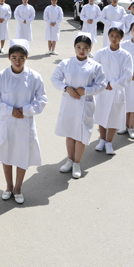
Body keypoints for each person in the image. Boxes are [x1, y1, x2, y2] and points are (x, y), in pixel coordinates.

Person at [0, 39, 47, 204]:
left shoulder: (34, 77)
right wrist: (10, 110)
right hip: (6, 122)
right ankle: (8, 186)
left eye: (21, 57)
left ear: (27, 57)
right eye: (14, 57)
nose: (17, 61)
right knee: (6, 154)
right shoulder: (1, 76)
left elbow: (42, 99)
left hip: (25, 123)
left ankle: (18, 187)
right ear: (8, 57)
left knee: (22, 154)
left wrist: (26, 110)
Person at [51, 32, 106, 179]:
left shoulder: (95, 66)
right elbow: (55, 78)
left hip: (85, 104)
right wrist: (66, 88)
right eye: (78, 47)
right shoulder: (65, 63)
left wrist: (86, 91)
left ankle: (77, 163)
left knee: (81, 135)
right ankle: (69, 160)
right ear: (74, 47)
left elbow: (102, 84)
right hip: (69, 103)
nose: (82, 50)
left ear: (91, 48)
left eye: (85, 47)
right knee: (70, 133)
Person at [93, 22, 133, 155]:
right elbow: (95, 70)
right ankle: (102, 140)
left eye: (117, 36)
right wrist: (105, 83)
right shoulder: (101, 53)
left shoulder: (126, 55)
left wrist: (113, 84)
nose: (114, 38)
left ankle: (109, 142)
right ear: (108, 36)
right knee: (102, 114)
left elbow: (128, 74)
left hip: (117, 90)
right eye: (111, 35)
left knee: (114, 116)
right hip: (103, 90)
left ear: (121, 37)